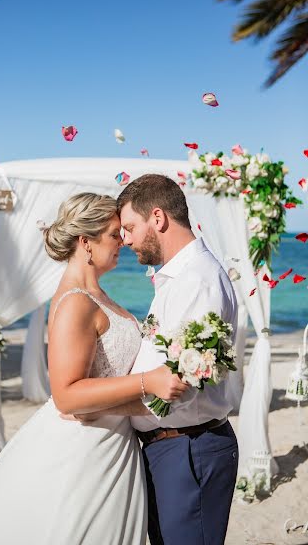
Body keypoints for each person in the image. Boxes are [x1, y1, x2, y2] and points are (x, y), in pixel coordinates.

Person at [0, 192, 183, 545]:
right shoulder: (75, 303)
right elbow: (66, 395)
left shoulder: (96, 295)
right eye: (115, 234)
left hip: (113, 444)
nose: (124, 241)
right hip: (84, 451)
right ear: (86, 242)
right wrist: (150, 382)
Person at [116, 174, 239, 545]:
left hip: (189, 449)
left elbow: (179, 386)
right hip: (172, 447)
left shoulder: (197, 281)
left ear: (158, 218)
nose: (126, 239)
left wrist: (99, 400)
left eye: (129, 227)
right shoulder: (179, 276)